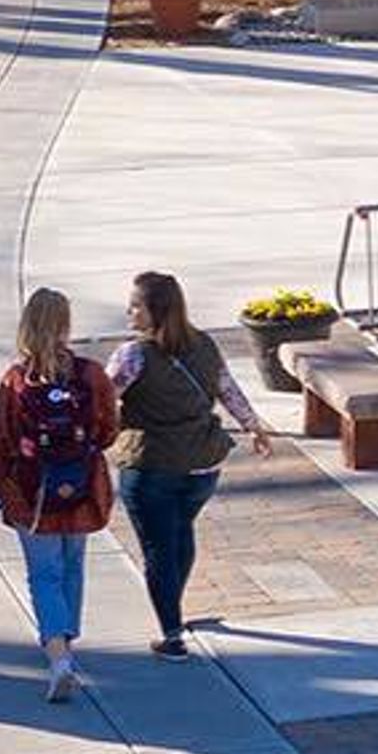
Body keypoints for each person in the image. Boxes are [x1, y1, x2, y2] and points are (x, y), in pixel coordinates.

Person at [107, 270, 274, 659]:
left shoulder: (133, 355)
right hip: (202, 466)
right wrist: (254, 426)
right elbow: (227, 388)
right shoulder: (204, 345)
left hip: (151, 467)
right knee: (180, 536)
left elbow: (101, 398)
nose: (128, 312)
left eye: (136, 305)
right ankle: (175, 616)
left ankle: (171, 634)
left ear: (156, 311)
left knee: (159, 550)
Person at [0, 286, 118, 701]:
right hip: (80, 488)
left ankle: (57, 654)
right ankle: (65, 644)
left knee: (43, 572)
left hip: (33, 493)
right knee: (72, 565)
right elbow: (108, 430)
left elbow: (0, 442)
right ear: (66, 325)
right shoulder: (90, 375)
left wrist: (4, 492)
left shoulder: (15, 382)